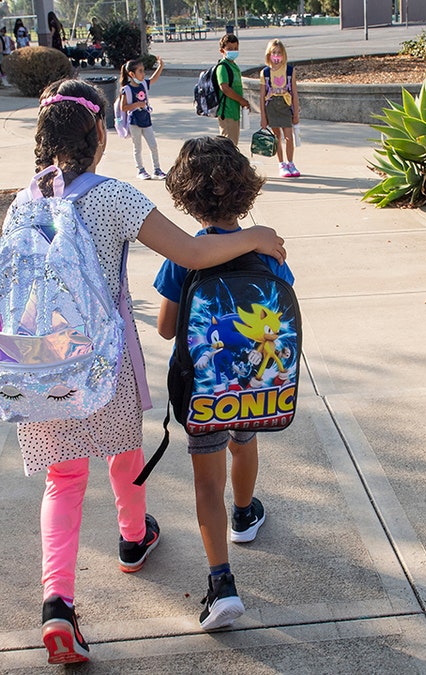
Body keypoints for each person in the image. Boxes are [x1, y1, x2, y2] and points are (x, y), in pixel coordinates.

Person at [22, 78, 286, 665]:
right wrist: (258, 237)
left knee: (62, 482)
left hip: (41, 360)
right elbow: (191, 254)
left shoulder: (26, 199)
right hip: (103, 361)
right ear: (98, 134)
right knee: (122, 451)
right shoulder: (112, 197)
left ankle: (57, 606)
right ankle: (133, 536)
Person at [153, 135, 294, 631]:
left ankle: (221, 584)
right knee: (245, 441)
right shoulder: (269, 250)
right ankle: (244, 515)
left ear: (186, 197)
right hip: (256, 385)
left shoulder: (183, 257)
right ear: (246, 191)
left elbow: (168, 328)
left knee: (204, 479)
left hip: (202, 390)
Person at [118, 56, 166, 180]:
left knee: (153, 145)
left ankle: (157, 169)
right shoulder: (126, 89)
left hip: (146, 119)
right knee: (137, 147)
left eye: (143, 70)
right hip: (134, 122)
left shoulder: (144, 84)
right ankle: (140, 170)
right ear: (131, 74)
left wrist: (160, 66)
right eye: (140, 71)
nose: (143, 74)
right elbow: (123, 107)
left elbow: (154, 78)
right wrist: (137, 105)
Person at [260, 39, 301, 178]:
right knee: (277, 137)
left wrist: (296, 112)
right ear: (269, 55)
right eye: (273, 53)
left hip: (285, 105)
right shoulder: (265, 73)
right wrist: (263, 117)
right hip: (271, 106)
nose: (276, 56)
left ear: (283, 54)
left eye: (279, 53)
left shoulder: (289, 71)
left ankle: (291, 162)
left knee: (288, 136)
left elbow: (294, 92)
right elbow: (262, 96)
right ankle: (281, 163)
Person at [215, 34, 251, 145]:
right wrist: (241, 100)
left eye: (236, 48)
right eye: (230, 49)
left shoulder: (234, 66)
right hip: (227, 112)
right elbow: (225, 88)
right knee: (228, 145)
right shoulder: (222, 67)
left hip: (234, 112)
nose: (233, 51)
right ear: (222, 50)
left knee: (233, 144)